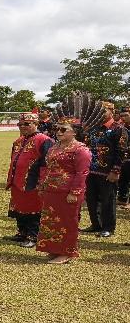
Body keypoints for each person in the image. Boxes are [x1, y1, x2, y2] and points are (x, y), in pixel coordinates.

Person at [36, 115, 91, 264]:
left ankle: (66, 252)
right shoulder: (55, 147)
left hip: (68, 192)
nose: (58, 132)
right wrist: (42, 184)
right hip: (51, 190)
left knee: (68, 222)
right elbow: (47, 168)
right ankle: (54, 249)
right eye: (57, 129)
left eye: (63, 129)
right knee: (51, 220)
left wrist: (74, 192)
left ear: (74, 132)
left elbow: (82, 173)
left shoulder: (81, 150)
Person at [5, 113, 53, 247]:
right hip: (17, 180)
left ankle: (33, 235)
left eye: (27, 124)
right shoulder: (18, 141)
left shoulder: (44, 140)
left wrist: (42, 181)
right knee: (19, 207)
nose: (22, 127)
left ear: (36, 124)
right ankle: (22, 232)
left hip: (33, 181)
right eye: (20, 124)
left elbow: (46, 163)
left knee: (33, 209)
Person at [82, 101, 128, 237]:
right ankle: (96, 225)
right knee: (91, 199)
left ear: (111, 111)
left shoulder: (119, 129)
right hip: (91, 170)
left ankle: (108, 227)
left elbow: (122, 152)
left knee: (108, 200)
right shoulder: (93, 128)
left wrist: (115, 171)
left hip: (108, 172)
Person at [115, 107, 130, 209]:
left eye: (126, 115)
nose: (123, 117)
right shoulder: (121, 127)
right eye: (122, 116)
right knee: (123, 178)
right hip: (124, 156)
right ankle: (122, 199)